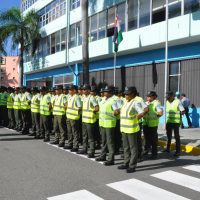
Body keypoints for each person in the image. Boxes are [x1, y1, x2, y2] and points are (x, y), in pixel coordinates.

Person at [116, 86, 144, 173]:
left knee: (133, 148)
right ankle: (126, 163)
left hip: (132, 129)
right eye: (125, 94)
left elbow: (141, 112)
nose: (126, 95)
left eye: (128, 94)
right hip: (124, 129)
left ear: (133, 94)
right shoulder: (125, 102)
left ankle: (132, 165)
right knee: (126, 147)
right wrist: (117, 112)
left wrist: (136, 118)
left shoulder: (135, 103)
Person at [95, 85, 117, 166]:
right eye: (104, 91)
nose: (104, 93)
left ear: (110, 92)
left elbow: (116, 111)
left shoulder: (113, 100)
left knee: (110, 142)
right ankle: (103, 155)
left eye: (106, 91)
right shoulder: (103, 100)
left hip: (109, 124)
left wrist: (115, 112)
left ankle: (111, 159)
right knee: (103, 141)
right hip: (102, 123)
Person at [77, 84, 99, 158]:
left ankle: (92, 151)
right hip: (84, 120)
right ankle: (84, 149)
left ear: (88, 90)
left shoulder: (92, 98)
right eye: (82, 89)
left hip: (90, 120)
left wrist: (94, 111)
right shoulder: (83, 97)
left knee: (91, 137)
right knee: (84, 136)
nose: (82, 91)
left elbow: (97, 107)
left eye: (84, 89)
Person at [163, 91, 185, 157]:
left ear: (172, 96)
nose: (167, 98)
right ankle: (168, 148)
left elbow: (183, 111)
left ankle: (178, 151)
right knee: (168, 136)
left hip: (176, 122)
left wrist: (179, 116)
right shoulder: (167, 102)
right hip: (169, 121)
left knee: (176, 137)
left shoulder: (177, 101)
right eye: (167, 97)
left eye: (168, 97)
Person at [143, 91, 163, 159]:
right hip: (145, 123)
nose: (148, 97)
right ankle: (146, 150)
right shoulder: (145, 103)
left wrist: (157, 114)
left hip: (153, 124)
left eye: (149, 96)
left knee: (153, 140)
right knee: (146, 138)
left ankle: (154, 154)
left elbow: (160, 113)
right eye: (147, 96)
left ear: (154, 97)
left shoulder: (156, 103)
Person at [64, 85, 82, 152]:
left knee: (75, 132)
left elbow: (80, 107)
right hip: (69, 117)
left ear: (74, 90)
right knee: (69, 132)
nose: (69, 91)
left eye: (70, 90)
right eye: (69, 90)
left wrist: (76, 113)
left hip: (74, 118)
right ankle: (70, 144)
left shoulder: (77, 97)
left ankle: (75, 146)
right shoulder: (70, 97)